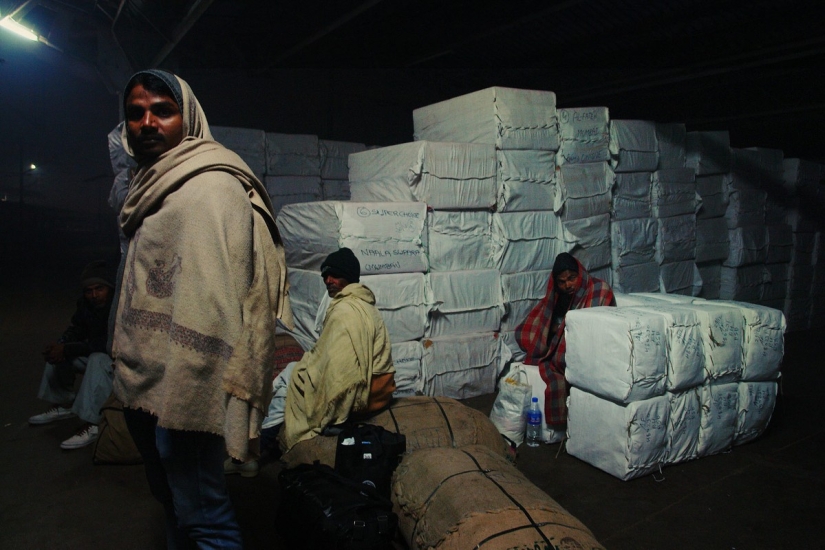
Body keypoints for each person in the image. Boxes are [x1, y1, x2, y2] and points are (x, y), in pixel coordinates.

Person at [110, 69, 292, 549]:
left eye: (162, 111)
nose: (147, 122)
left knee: (205, 514)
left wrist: (194, 376)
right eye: (136, 113)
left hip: (191, 380)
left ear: (187, 116)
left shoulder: (212, 187)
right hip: (143, 372)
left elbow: (224, 298)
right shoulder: (147, 186)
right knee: (172, 500)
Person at [281, 247, 396, 451]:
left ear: (349, 277)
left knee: (288, 380)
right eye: (326, 276)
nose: (328, 280)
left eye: (335, 275)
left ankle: (260, 449)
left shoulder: (346, 311)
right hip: (381, 388)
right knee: (297, 368)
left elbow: (342, 371)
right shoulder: (364, 304)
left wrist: (332, 416)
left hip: (369, 394)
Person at [515, 252, 615, 441]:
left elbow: (591, 329)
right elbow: (543, 321)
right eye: (562, 281)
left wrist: (561, 332)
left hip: (586, 347)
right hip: (559, 343)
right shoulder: (558, 296)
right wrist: (551, 330)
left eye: (571, 278)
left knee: (557, 368)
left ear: (580, 273)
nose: (567, 285)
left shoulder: (598, 290)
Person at [29, 260, 115, 450]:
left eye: (99, 288)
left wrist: (67, 349)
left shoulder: (119, 305)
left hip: (121, 363)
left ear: (109, 287)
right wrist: (61, 345)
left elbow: (106, 345)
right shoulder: (86, 304)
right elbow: (77, 328)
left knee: (97, 358)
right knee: (58, 350)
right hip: (97, 355)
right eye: (89, 290)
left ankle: (93, 423)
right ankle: (64, 404)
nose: (94, 295)